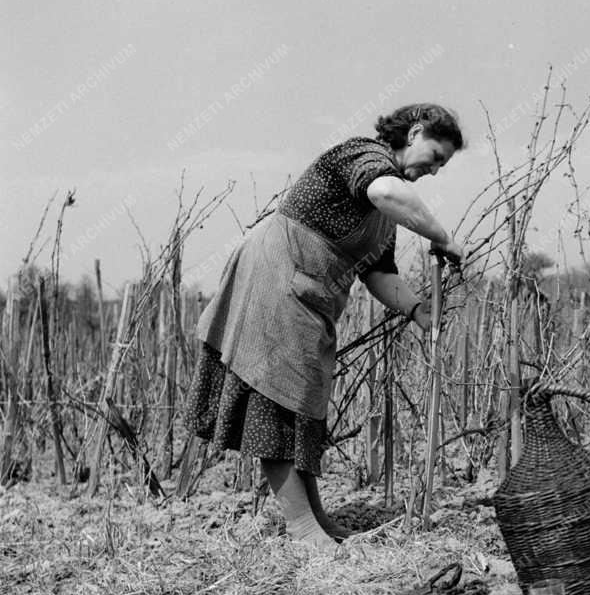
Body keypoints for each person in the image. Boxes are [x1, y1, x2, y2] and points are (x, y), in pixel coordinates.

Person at [184, 104, 465, 548]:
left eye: (442, 166)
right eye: (434, 156)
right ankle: (302, 529)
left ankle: (315, 516)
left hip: (309, 296)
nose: (433, 170)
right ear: (414, 133)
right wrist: (442, 237)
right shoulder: (363, 157)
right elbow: (386, 192)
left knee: (303, 406)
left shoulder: (384, 214)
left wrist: (416, 310)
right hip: (275, 278)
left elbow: (379, 273)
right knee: (275, 402)